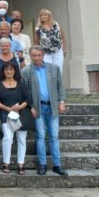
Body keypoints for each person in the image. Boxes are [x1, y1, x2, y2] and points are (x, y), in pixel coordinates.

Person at [21, 46, 68, 176]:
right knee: (40, 136)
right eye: (34, 55)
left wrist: (62, 102)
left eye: (39, 55)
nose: (36, 58)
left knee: (54, 136)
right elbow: (25, 92)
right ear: (31, 56)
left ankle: (57, 165)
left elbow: (60, 86)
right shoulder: (25, 71)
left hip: (52, 106)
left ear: (43, 55)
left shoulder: (54, 68)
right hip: (38, 108)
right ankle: (42, 164)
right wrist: (31, 107)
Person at [0, 62, 32, 175]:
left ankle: (21, 164)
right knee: (8, 138)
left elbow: (28, 99)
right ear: (3, 71)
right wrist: (7, 108)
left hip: (21, 115)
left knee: (21, 140)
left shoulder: (21, 83)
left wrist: (20, 107)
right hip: (6, 114)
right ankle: (6, 163)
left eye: (11, 69)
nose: (9, 72)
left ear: (15, 71)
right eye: (6, 70)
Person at [34, 9, 66, 73]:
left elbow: (63, 37)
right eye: (41, 15)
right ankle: (50, 83)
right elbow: (36, 42)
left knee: (58, 69)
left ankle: (57, 83)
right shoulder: (37, 28)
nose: (43, 16)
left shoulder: (56, 25)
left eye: (45, 15)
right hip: (45, 53)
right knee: (48, 71)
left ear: (49, 16)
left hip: (58, 51)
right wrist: (38, 53)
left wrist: (64, 49)